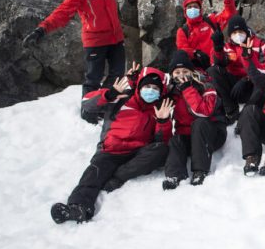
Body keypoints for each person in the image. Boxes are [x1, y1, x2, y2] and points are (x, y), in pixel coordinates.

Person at [22, 0, 139, 124]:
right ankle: (89, 111)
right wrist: (41, 29)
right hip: (95, 42)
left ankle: (106, 102)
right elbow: (61, 13)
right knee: (93, 78)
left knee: (117, 74)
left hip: (116, 39)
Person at [50, 66, 173, 224]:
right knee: (93, 173)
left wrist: (163, 121)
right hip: (110, 151)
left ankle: (116, 177)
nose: (150, 91)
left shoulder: (159, 108)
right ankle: (78, 207)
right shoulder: (121, 98)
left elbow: (161, 141)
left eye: (155, 88)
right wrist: (108, 94)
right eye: (147, 86)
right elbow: (87, 104)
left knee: (161, 150)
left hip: (136, 153)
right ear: (140, 86)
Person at [162, 51, 227, 190]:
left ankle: (200, 170)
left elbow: (204, 112)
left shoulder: (205, 85)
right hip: (189, 137)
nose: (181, 75)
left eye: (185, 71)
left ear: (191, 72)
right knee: (175, 139)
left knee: (199, 123)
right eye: (177, 72)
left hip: (212, 133)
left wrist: (187, 90)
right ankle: (175, 175)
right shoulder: (172, 91)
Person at [208, 15, 265, 124]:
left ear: (246, 30)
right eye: (234, 33)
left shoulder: (260, 43)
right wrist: (218, 49)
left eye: (240, 31)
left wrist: (247, 79)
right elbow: (217, 64)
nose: (237, 35)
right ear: (230, 35)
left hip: (253, 85)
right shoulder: (227, 47)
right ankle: (231, 110)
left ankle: (245, 116)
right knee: (213, 71)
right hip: (234, 88)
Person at [176, 0, 240, 70]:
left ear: (200, 9)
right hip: (198, 68)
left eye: (195, 7)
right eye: (189, 7)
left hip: (218, 63)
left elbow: (229, 13)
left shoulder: (210, 21)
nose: (192, 9)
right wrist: (195, 53)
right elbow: (182, 50)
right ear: (185, 11)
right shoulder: (182, 31)